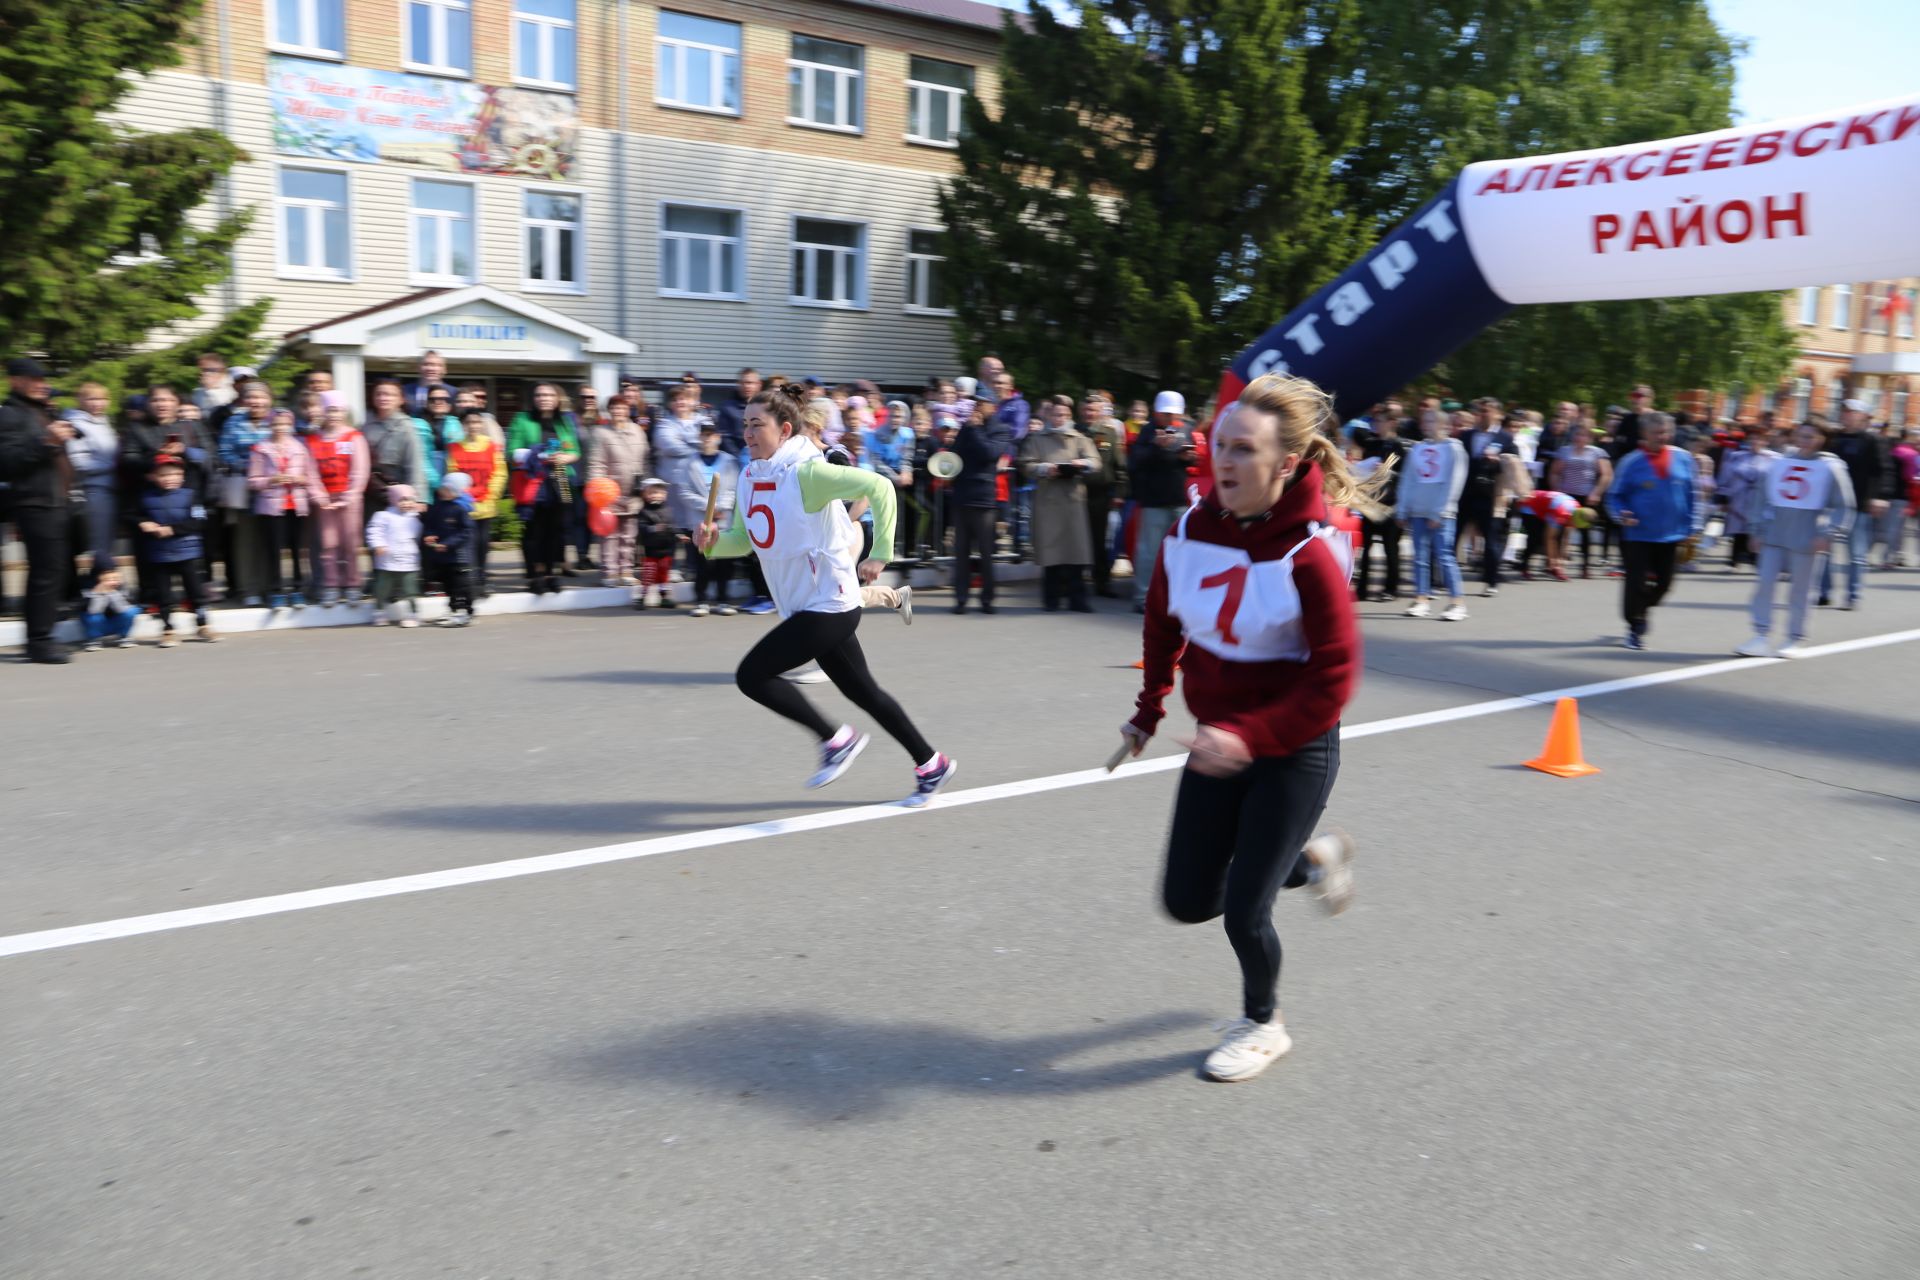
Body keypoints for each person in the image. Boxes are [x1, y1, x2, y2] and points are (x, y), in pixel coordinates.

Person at [1116, 373, 1374, 1084]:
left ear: (1286, 464)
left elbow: (1334, 680)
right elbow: (1163, 619)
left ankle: (1263, 1023)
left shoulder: (1311, 553)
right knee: (1187, 899)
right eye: (1218, 445)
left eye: (1244, 450)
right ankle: (1310, 861)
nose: (1224, 461)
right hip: (1219, 742)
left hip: (1293, 750)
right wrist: (1148, 708)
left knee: (1244, 914)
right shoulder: (1192, 529)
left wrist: (1250, 739)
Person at [697, 384, 955, 805]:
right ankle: (932, 764)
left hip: (829, 602)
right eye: (743, 424)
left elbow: (881, 489)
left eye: (756, 425)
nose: (746, 433)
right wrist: (711, 544)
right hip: (805, 603)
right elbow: (743, 540)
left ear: (783, 429)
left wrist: (880, 554)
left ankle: (835, 740)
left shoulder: (807, 473)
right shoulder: (750, 475)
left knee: (752, 676)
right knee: (864, 692)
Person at [1736, 422, 1855, 660]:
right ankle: (1761, 635)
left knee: (1800, 590)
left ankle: (1795, 638)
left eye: (1811, 436)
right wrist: (1756, 529)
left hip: (1808, 535)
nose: (1805, 440)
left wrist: (1830, 534)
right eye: (1801, 435)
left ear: (1822, 438)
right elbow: (1762, 496)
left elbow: (1845, 505)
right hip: (1774, 533)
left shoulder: (1831, 467)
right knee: (1765, 584)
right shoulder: (1779, 463)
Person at [0, 358, 76, 662]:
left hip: (57, 501)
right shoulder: (10, 415)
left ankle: (44, 635)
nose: (42, 384)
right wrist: (47, 441)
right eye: (34, 379)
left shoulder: (43, 411)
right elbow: (7, 462)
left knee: (54, 570)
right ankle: (39, 642)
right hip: (35, 502)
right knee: (45, 572)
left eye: (43, 379)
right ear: (15, 381)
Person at [1605, 413, 1701, 650]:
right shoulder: (1631, 461)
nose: (1662, 436)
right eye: (1657, 432)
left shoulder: (1684, 458)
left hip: (1672, 534)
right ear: (1644, 434)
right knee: (1635, 582)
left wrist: (1694, 527)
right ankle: (1635, 625)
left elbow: (1694, 495)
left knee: (1664, 585)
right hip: (1637, 533)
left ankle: (1641, 609)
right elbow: (1614, 496)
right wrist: (1622, 514)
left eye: (1666, 432)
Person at [1018, 394, 1100, 611]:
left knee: (1077, 553)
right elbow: (1026, 464)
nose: (1060, 418)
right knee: (1051, 553)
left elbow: (1096, 462)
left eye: (1064, 414)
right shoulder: (1037, 439)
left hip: (1073, 500)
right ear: (1048, 415)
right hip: (1049, 501)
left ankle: (1078, 599)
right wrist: (1046, 469)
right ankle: (1051, 599)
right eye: (1056, 414)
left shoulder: (1080, 438)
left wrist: (1081, 464)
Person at [1128, 391, 1198, 613]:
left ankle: (1176, 596)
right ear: (1157, 412)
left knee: (1180, 550)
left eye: (1173, 414)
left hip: (1178, 497)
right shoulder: (1146, 431)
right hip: (1154, 499)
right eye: (1166, 414)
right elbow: (1135, 461)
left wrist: (1189, 457)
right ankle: (1142, 597)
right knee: (1149, 551)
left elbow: (1192, 459)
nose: (1170, 418)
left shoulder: (1186, 429)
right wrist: (1157, 446)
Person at [136, 456, 217, 647]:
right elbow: (132, 515)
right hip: (159, 553)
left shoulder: (191, 495)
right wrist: (142, 522)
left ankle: (203, 624)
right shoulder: (145, 497)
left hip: (188, 552)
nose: (170, 478)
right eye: (164, 474)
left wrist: (172, 529)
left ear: (182, 476)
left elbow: (199, 521)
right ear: (153, 476)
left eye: (175, 474)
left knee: (196, 592)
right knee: (164, 595)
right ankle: (168, 629)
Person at [1398, 404, 1469, 620]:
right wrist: (1402, 508)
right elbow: (1408, 479)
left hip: (1440, 513)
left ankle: (1457, 602)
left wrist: (1441, 511)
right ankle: (1421, 598)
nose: (1425, 425)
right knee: (1419, 557)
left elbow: (1455, 481)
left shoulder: (1454, 449)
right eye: (1424, 421)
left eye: (1430, 421)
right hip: (1418, 511)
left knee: (1444, 556)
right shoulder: (1417, 449)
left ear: (1443, 425)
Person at [247, 407, 323, 609]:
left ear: (291, 425)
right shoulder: (260, 448)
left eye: (284, 424)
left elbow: (311, 476)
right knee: (274, 549)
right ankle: (276, 590)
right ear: (269, 425)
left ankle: (298, 589)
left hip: (297, 505)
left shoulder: (301, 447)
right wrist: (272, 480)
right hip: (272, 506)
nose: (280, 428)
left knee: (299, 550)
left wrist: (300, 479)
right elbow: (253, 481)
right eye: (276, 424)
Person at [508, 382, 580, 595]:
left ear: (557, 399)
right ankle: (535, 574)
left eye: (549, 395)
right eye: (539, 395)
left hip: (561, 478)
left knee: (557, 530)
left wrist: (566, 457)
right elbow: (511, 451)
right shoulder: (522, 419)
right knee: (534, 529)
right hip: (533, 479)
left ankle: (551, 573)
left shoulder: (565, 421)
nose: (544, 398)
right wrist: (538, 456)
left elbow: (575, 450)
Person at [1821, 399, 1889, 610]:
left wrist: (1881, 496)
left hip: (1858, 505)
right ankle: (1824, 593)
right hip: (1831, 504)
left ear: (1862, 415)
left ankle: (1853, 595)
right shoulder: (1833, 439)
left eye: (1852, 412)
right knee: (1824, 551)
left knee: (1856, 554)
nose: (1847, 415)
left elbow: (1884, 470)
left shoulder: (1872, 440)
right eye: (1845, 411)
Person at [949, 397, 1011, 614]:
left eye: (980, 404)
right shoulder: (968, 427)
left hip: (984, 499)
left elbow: (990, 454)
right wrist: (967, 429)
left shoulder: (1001, 429)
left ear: (992, 407)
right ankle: (961, 598)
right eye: (974, 404)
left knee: (986, 552)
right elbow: (954, 454)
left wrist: (974, 430)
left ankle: (987, 599)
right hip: (962, 495)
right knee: (961, 552)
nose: (976, 408)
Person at [307, 401, 370, 606]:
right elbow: (310, 471)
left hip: (349, 498)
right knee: (329, 544)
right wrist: (319, 496)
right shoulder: (313, 439)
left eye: (337, 410)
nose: (333, 415)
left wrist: (350, 495)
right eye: (329, 410)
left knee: (351, 543)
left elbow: (360, 469)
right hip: (325, 500)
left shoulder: (354, 437)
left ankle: (352, 584)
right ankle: (331, 585)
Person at [1456, 401, 1518, 598]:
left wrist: (1498, 462)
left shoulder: (1505, 438)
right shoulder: (1466, 436)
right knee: (1453, 536)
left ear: (1498, 414)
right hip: (1465, 494)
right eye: (1479, 411)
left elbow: (1513, 467)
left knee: (1491, 541)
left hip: (1491, 495)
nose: (1481, 415)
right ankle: (1441, 579)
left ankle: (1491, 581)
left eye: (1486, 411)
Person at [588, 397, 650, 587]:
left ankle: (626, 570)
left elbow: (646, 461)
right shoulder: (600, 433)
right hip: (609, 494)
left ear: (628, 409)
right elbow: (595, 464)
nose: (618, 411)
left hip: (633, 492)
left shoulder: (638, 431)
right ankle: (610, 573)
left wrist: (647, 484)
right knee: (609, 536)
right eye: (614, 407)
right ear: (609, 410)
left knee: (629, 536)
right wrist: (597, 489)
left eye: (622, 407)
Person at [63, 381, 120, 588]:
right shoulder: (75, 423)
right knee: (99, 543)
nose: (97, 403)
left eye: (102, 398)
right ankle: (97, 586)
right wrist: (111, 465)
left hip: (108, 487)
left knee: (106, 542)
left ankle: (104, 583)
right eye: (91, 398)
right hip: (93, 489)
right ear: (80, 400)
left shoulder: (103, 422)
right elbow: (77, 460)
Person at [445, 407, 505, 597]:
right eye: (469, 422)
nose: (473, 426)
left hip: (486, 505)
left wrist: (491, 494)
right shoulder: (454, 448)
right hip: (465, 506)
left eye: (477, 422)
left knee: (482, 545)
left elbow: (500, 473)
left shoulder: (491, 446)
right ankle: (470, 583)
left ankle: (481, 579)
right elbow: (453, 475)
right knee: (466, 546)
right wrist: (464, 496)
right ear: (463, 425)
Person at [683, 422, 740, 617]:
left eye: (711, 435)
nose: (707, 438)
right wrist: (708, 507)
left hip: (723, 519)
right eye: (704, 435)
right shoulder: (688, 463)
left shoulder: (729, 461)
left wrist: (719, 507)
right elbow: (685, 492)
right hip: (699, 519)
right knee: (702, 561)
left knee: (724, 561)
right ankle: (701, 600)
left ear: (718, 437)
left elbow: (733, 489)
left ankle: (723, 599)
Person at [1548, 422, 1613, 579]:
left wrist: (1596, 492)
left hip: (1586, 495)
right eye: (1577, 434)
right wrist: (1557, 490)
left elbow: (1606, 475)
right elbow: (1555, 472)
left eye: (1584, 435)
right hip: (1567, 495)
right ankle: (1557, 565)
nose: (1580, 438)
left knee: (1585, 532)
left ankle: (1585, 566)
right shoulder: (1565, 451)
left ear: (1590, 437)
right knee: (1561, 531)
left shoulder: (1598, 453)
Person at [1356, 406, 1408, 601]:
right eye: (1374, 421)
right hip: (1371, 502)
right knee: (1366, 547)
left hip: (1391, 504)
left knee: (1390, 547)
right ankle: (1362, 588)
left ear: (1391, 423)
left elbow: (1405, 477)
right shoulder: (1371, 445)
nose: (1376, 425)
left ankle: (1391, 588)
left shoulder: (1399, 447)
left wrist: (1389, 473)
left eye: (1380, 421)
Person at [1079, 394, 1127, 597]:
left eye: (1094, 410)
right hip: (1076, 493)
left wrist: (1120, 492)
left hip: (1100, 495)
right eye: (1087, 410)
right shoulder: (1075, 432)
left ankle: (1102, 581)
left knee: (1100, 540)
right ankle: (1073, 582)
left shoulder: (1109, 433)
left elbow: (1120, 466)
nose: (1090, 414)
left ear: (1101, 413)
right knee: (1076, 538)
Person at [363, 379, 427, 521]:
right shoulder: (365, 424)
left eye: (390, 395)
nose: (383, 398)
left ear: (401, 399)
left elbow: (415, 463)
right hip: (371, 490)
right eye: (379, 394)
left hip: (398, 492)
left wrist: (419, 498)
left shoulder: (407, 427)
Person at [421, 472, 477, 626]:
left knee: (460, 585)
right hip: (443, 557)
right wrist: (429, 535)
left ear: (456, 492)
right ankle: (453, 610)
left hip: (459, 556)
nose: (442, 490)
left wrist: (448, 544)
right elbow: (430, 525)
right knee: (448, 585)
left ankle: (463, 612)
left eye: (447, 489)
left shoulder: (461, 509)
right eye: (443, 487)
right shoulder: (437, 507)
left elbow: (466, 532)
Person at [1712, 428, 1771, 571]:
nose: (1755, 442)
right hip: (1739, 498)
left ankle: (1755, 560)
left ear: (1765, 442)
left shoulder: (1774, 459)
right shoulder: (1737, 456)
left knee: (1756, 530)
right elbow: (1726, 475)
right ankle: (1733, 561)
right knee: (1739, 530)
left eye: (1759, 439)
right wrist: (1722, 497)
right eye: (1752, 439)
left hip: (1760, 499)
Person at [366, 484, 423, 627]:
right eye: (402, 500)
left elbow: (419, 535)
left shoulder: (416, 518)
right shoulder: (383, 516)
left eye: (410, 500)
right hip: (387, 560)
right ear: (393, 500)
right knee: (382, 588)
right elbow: (374, 531)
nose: (406, 503)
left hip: (409, 560)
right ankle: (379, 611)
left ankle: (413, 614)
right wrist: (378, 545)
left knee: (410, 588)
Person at [633, 477, 679, 610]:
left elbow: (672, 527)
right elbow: (642, 528)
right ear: (644, 494)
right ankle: (642, 597)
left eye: (659, 492)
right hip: (650, 551)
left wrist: (679, 535)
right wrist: (653, 528)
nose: (656, 495)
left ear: (665, 495)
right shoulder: (644, 512)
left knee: (663, 575)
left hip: (667, 550)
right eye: (652, 492)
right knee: (648, 575)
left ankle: (664, 597)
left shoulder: (669, 511)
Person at [81, 567, 140, 651]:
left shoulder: (122, 590)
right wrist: (99, 595)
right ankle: (94, 640)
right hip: (99, 623)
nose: (112, 582)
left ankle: (124, 636)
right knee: (93, 616)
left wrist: (112, 593)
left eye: (115, 579)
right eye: (108, 580)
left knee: (132, 610)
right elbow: (94, 611)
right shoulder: (92, 592)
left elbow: (121, 610)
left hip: (116, 621)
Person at [714, 368, 761, 455]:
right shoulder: (727, 408)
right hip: (736, 459)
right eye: (742, 383)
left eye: (750, 383)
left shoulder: (765, 407)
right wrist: (739, 457)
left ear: (758, 384)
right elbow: (725, 438)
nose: (746, 386)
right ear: (738, 385)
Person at [190, 352, 236, 417]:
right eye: (201, 370)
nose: (202, 373)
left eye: (207, 370)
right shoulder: (197, 392)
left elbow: (223, 409)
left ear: (220, 370)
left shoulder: (232, 389)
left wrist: (210, 390)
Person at [404, 351, 450, 415]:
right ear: (418, 368)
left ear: (444, 369)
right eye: (426, 364)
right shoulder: (404, 391)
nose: (430, 368)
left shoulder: (453, 392)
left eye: (435, 365)